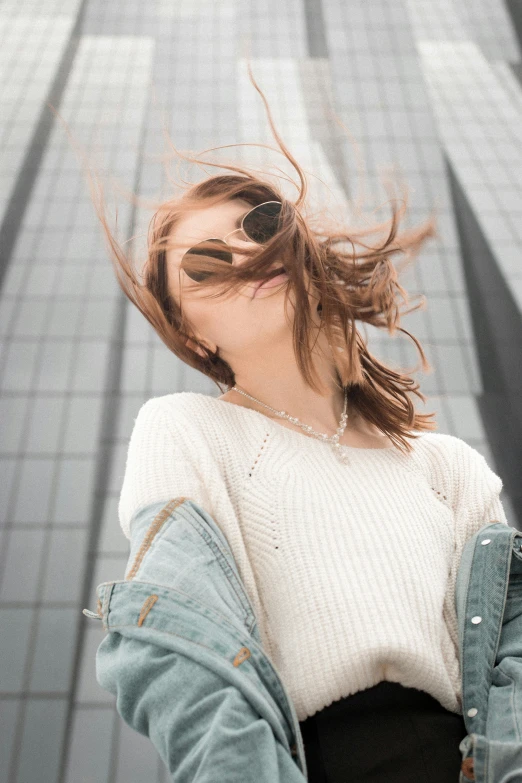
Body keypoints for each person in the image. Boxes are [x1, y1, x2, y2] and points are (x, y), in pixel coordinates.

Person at [89, 78, 509, 782]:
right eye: (204, 263)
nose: (245, 256)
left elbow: (511, 667)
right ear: (193, 333)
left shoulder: (447, 466)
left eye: (258, 226)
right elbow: (184, 677)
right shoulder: (186, 432)